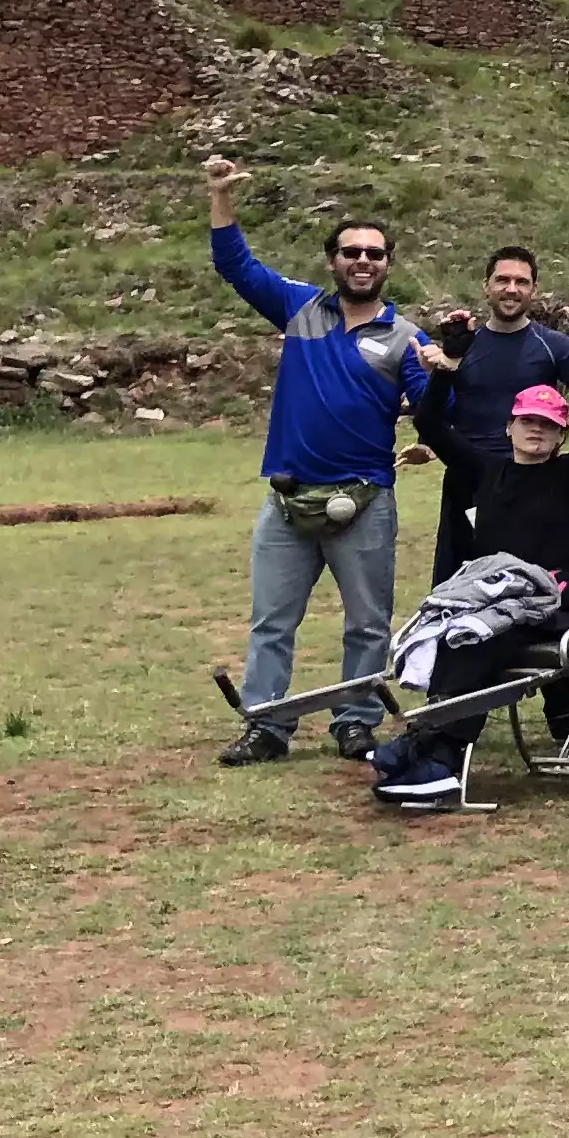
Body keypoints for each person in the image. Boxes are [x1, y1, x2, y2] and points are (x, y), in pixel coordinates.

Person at [203, 156, 438, 766]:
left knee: (367, 625)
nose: (363, 261)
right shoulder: (299, 309)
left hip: (364, 500)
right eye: (351, 252)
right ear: (332, 261)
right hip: (287, 497)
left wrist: (445, 375)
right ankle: (266, 726)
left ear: (388, 266)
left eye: (375, 254)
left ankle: (356, 722)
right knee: (271, 623)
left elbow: (432, 406)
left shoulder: (405, 335)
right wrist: (221, 197)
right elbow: (235, 265)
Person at [376, 358, 569, 806]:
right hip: (491, 595)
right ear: (508, 428)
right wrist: (447, 369)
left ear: (561, 437)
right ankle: (432, 744)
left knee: (479, 637)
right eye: (528, 421)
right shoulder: (484, 472)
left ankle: (442, 756)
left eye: (548, 425)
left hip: (550, 604)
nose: (537, 430)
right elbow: (431, 422)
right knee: (454, 630)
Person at [420, 247, 569, 580]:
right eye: (502, 280)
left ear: (534, 290)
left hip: (531, 483)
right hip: (468, 478)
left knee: (531, 583)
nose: (511, 289)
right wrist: (444, 364)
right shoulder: (462, 344)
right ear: (486, 286)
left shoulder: (551, 344)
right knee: (455, 583)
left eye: (521, 281)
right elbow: (431, 415)